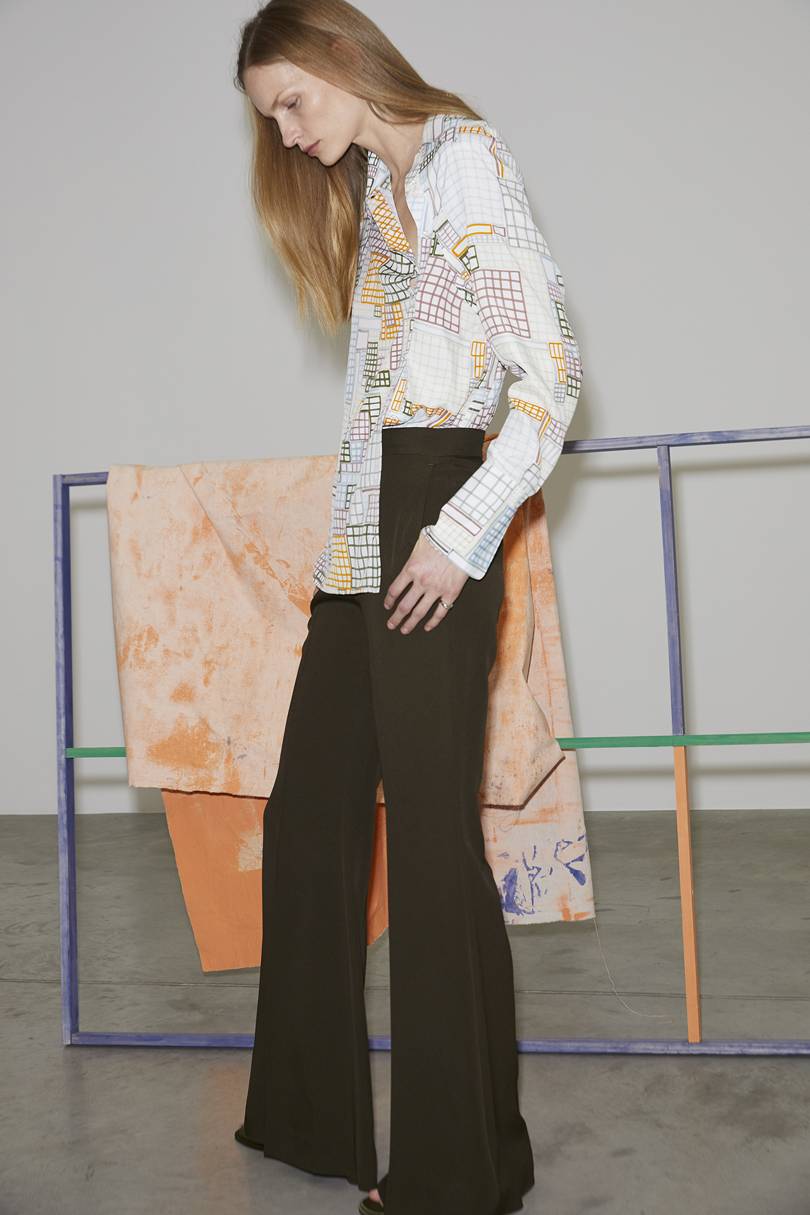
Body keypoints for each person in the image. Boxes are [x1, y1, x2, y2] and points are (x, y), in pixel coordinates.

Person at [231, 2, 583, 1212]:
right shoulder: (382, 192)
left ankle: (459, 1173)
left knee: (431, 844)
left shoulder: (462, 161)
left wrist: (458, 531)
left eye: (291, 101)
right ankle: (307, 1115)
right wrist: (365, 537)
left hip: (436, 505)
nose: (286, 133)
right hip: (365, 522)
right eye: (270, 117)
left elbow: (549, 384)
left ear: (342, 57)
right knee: (310, 815)